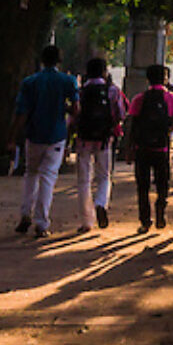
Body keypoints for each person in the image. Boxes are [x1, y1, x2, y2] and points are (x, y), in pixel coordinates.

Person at [3, 45, 77, 238]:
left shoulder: (30, 82)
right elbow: (76, 109)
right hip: (56, 136)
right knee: (48, 178)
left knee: (30, 174)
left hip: (34, 135)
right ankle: (41, 223)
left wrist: (12, 137)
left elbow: (21, 112)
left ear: (41, 60)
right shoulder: (67, 81)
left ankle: (25, 214)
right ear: (59, 61)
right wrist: (64, 109)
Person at [124, 63, 173, 233]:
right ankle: (160, 212)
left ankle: (145, 220)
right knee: (163, 184)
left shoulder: (139, 99)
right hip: (162, 149)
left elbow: (132, 126)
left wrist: (129, 149)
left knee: (142, 186)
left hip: (142, 149)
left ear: (148, 79)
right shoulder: (172, 98)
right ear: (165, 79)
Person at [71, 56, 126, 233]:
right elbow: (120, 115)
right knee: (104, 176)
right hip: (104, 139)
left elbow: (74, 116)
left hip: (83, 140)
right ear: (105, 72)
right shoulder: (112, 90)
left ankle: (87, 221)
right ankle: (101, 203)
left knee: (83, 180)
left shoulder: (81, 91)